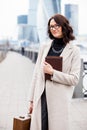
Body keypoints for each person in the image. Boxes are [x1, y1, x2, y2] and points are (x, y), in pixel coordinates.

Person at [28, 14, 81, 130]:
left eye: (57, 25)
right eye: (51, 27)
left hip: (59, 100)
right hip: (41, 97)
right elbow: (36, 74)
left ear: (64, 27)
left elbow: (75, 79)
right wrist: (31, 100)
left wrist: (53, 73)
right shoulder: (44, 47)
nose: (54, 29)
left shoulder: (74, 51)